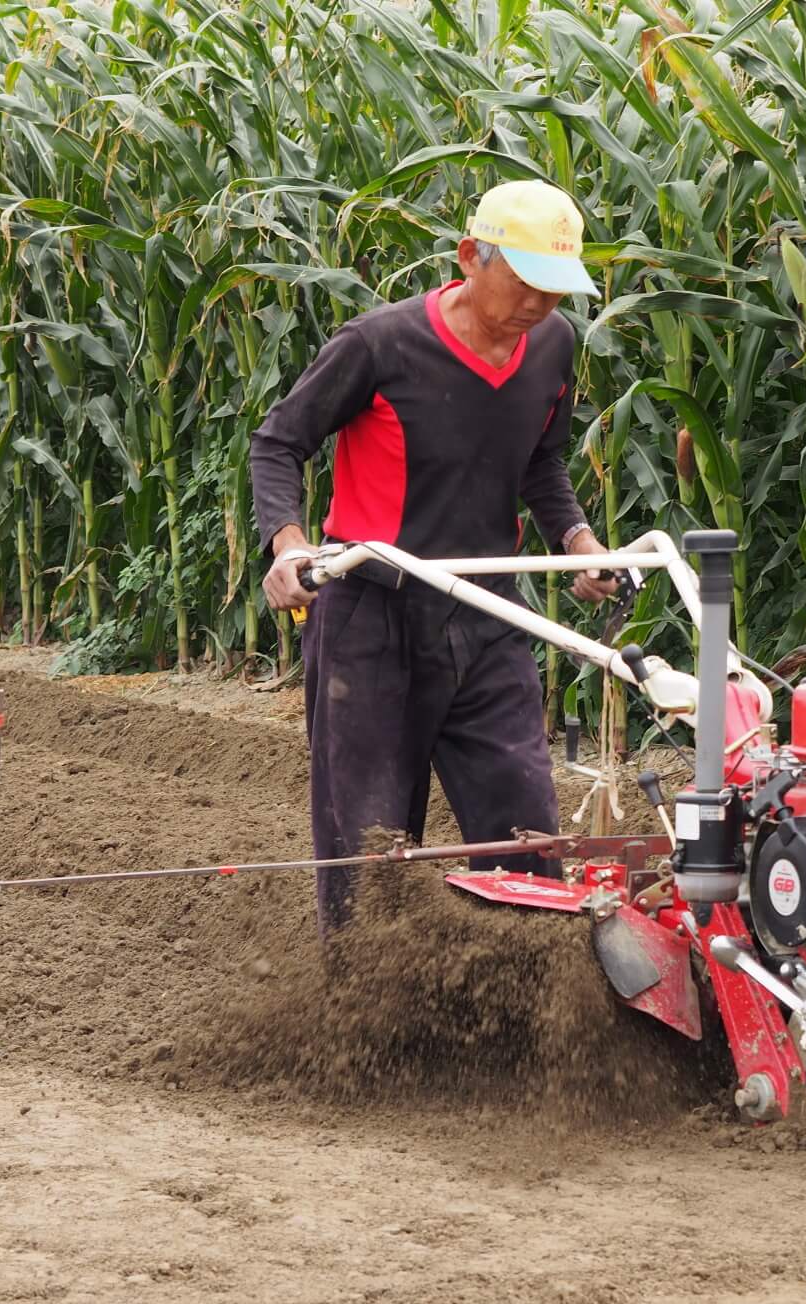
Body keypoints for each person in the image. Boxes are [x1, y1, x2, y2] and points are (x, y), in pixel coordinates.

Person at [249, 178, 620, 933]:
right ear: (469, 259)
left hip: (487, 614)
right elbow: (278, 442)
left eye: (557, 291)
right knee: (372, 848)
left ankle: (525, 1001)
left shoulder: (552, 347)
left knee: (526, 832)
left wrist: (578, 541)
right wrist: (287, 544)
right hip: (371, 621)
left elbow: (541, 465)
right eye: (526, 285)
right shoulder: (378, 345)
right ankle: (365, 1018)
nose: (540, 307)